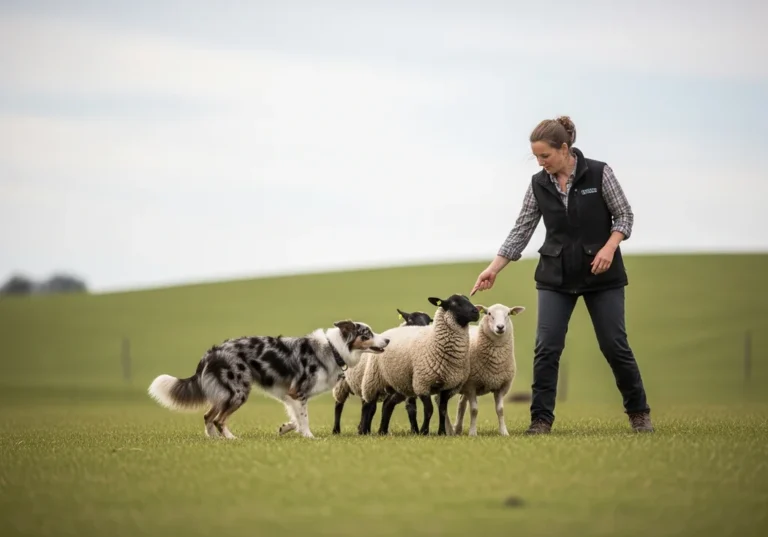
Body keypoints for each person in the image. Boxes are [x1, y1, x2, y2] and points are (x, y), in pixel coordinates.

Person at [470, 116, 653, 434]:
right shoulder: (538, 184)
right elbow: (522, 229)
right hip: (555, 277)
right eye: (536, 157)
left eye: (545, 155)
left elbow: (624, 215)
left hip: (601, 276)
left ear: (565, 149)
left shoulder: (599, 173)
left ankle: (639, 413)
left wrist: (609, 248)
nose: (541, 163)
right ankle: (541, 420)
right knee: (547, 348)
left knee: (614, 345)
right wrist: (493, 268)